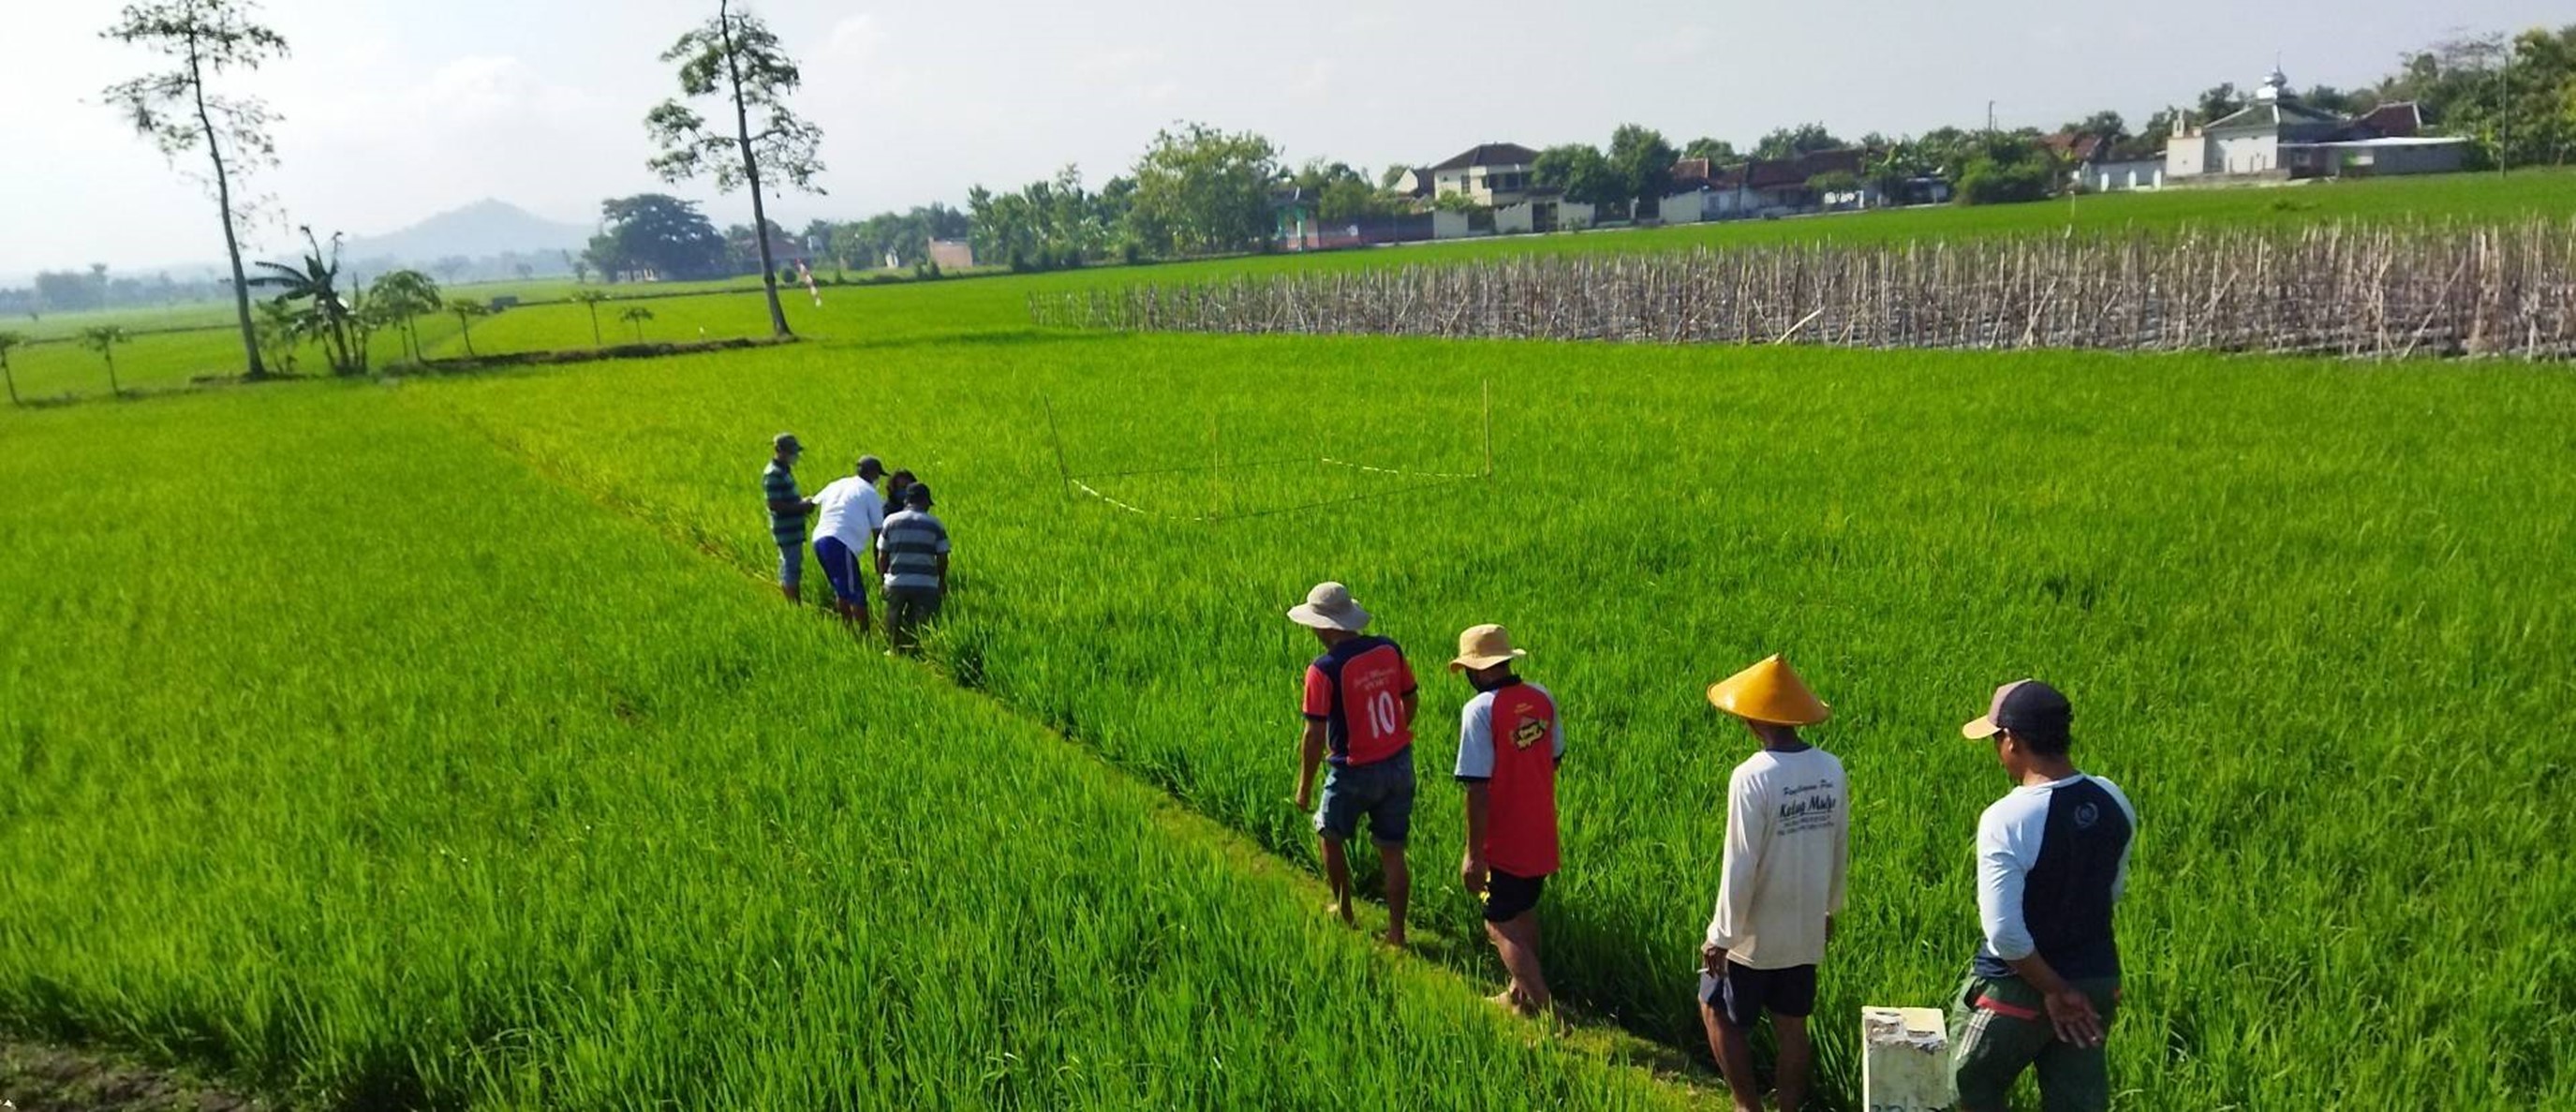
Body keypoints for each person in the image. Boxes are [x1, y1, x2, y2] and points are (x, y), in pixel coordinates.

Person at [1950, 679, 2138, 1112]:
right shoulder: (2113, 798)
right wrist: (2073, 989)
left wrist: (2054, 990)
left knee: (1966, 1086)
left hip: (2019, 987)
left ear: (2012, 740)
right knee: (2078, 1103)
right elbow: (2111, 891)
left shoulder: (2008, 817)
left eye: (1996, 737)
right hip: (2095, 980)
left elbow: (2005, 933)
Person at [1698, 654, 1847, 1112]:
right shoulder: (1831, 768)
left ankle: (1747, 1106)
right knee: (1792, 1024)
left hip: (1754, 931)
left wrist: (1720, 935)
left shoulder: (1752, 777)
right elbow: (1840, 845)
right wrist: (1829, 910)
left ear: (1754, 717)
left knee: (1715, 1008)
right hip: (1804, 923)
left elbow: (1741, 863)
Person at [1286, 582, 1416, 947]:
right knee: (1392, 851)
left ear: (1325, 627)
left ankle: (1344, 912)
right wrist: (1394, 736)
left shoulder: (1323, 669)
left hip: (1351, 769)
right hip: (1399, 762)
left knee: (1330, 837)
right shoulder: (1388, 648)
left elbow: (1314, 736)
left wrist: (1303, 788)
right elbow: (1411, 697)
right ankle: (1397, 934)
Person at [1450, 623, 1562, 1016]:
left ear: (1476, 670)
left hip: (1505, 839)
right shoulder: (1542, 697)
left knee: (1497, 922)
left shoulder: (1479, 710)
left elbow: (1477, 789)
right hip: (1542, 830)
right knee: (1523, 910)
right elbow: (1554, 758)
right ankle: (1519, 997)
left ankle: (1549, 1016)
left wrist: (1474, 853)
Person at [809, 454, 887, 631]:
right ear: (874, 473)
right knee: (856, 594)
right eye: (878, 475)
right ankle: (864, 636)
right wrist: (880, 567)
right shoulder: (869, 492)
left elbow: (811, 503)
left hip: (820, 539)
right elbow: (879, 533)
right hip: (840, 541)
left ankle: (849, 631)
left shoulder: (837, 484)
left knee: (842, 589)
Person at [875, 482, 949, 655]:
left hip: (896, 581)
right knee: (922, 623)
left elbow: (882, 555)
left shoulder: (890, 521)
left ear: (907, 501)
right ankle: (919, 653)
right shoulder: (935, 524)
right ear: (924, 502)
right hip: (926, 583)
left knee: (893, 618)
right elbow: (943, 557)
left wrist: (882, 579)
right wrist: (942, 581)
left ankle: (894, 650)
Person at [762, 433, 816, 604]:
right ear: (779, 451)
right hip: (786, 530)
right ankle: (793, 606)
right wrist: (803, 507)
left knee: (789, 566)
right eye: (792, 452)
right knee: (791, 568)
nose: (795, 456)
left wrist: (801, 504)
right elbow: (775, 505)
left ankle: (792, 604)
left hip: (792, 528)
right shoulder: (773, 474)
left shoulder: (784, 471)